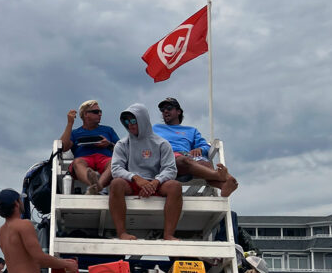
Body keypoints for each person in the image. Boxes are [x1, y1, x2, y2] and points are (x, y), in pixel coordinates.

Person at [108, 103, 182, 241]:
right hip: (133, 183)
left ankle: (168, 234)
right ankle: (122, 232)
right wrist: (135, 178)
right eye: (126, 121)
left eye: (133, 120)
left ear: (142, 119)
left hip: (156, 183)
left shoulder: (162, 143)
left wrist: (156, 181)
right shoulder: (122, 144)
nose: (130, 124)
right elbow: (116, 169)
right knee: (116, 183)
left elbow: (170, 169)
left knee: (175, 186)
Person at [153, 97, 238, 197]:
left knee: (205, 164)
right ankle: (221, 176)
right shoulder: (155, 128)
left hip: (187, 159)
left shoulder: (191, 130)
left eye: (169, 108)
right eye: (162, 110)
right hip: (167, 157)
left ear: (178, 111)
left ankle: (223, 186)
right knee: (185, 160)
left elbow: (205, 146)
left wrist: (200, 149)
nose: (165, 111)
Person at [59, 100, 120, 195]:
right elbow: (63, 147)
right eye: (96, 112)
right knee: (77, 162)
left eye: (100, 112)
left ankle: (95, 186)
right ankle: (98, 186)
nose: (100, 114)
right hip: (84, 159)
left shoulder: (108, 130)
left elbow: (121, 149)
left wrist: (108, 144)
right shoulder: (75, 133)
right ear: (85, 114)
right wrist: (70, 123)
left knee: (113, 163)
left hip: (104, 159)